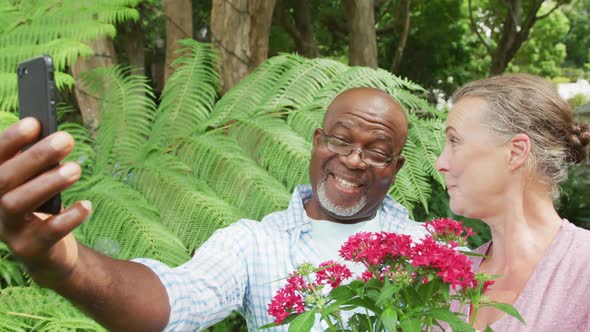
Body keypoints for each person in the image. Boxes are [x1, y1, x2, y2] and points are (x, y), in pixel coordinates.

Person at [0, 87, 426, 331]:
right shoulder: (253, 244)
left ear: (396, 167)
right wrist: (69, 266)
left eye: (377, 151)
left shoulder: (430, 251)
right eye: (340, 140)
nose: (353, 160)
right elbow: (175, 300)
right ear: (317, 143)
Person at [437, 73, 590, 331]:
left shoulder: (582, 271)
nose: (440, 163)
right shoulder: (448, 277)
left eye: (455, 141)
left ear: (516, 152)